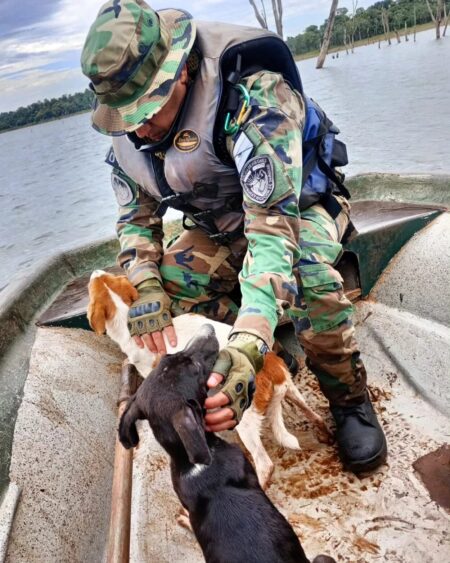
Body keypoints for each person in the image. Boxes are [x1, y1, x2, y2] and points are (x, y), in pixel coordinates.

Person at [81, 0, 387, 473]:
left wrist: (248, 342)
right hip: (222, 227)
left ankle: (347, 397)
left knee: (308, 277)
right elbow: (135, 223)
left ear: (180, 69)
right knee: (167, 286)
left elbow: (272, 233)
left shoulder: (255, 97)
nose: (139, 127)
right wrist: (144, 284)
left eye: (148, 107)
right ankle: (271, 348)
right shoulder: (130, 136)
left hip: (293, 215)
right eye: (126, 115)